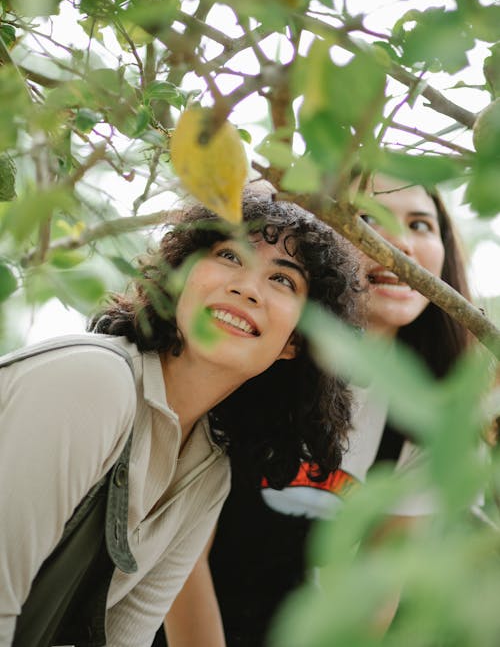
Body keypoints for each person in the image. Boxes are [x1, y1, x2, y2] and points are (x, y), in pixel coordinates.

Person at [0, 190, 362, 647]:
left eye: (283, 281)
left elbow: (120, 639)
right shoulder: (93, 382)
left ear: (296, 342)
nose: (247, 287)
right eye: (230, 255)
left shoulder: (207, 469)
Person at [155, 174, 472, 647]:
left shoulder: (430, 417)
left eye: (421, 224)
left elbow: (375, 588)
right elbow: (182, 561)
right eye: (367, 219)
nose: (400, 243)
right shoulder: (250, 363)